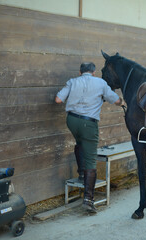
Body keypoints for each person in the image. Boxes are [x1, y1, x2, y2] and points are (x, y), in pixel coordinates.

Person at [55, 62, 125, 213]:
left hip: (71, 120)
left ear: (80, 72)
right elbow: (115, 100)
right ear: (93, 72)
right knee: (91, 159)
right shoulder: (101, 83)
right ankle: (88, 199)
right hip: (89, 123)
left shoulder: (72, 81)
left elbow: (58, 100)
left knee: (79, 143)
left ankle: (81, 173)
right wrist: (123, 102)